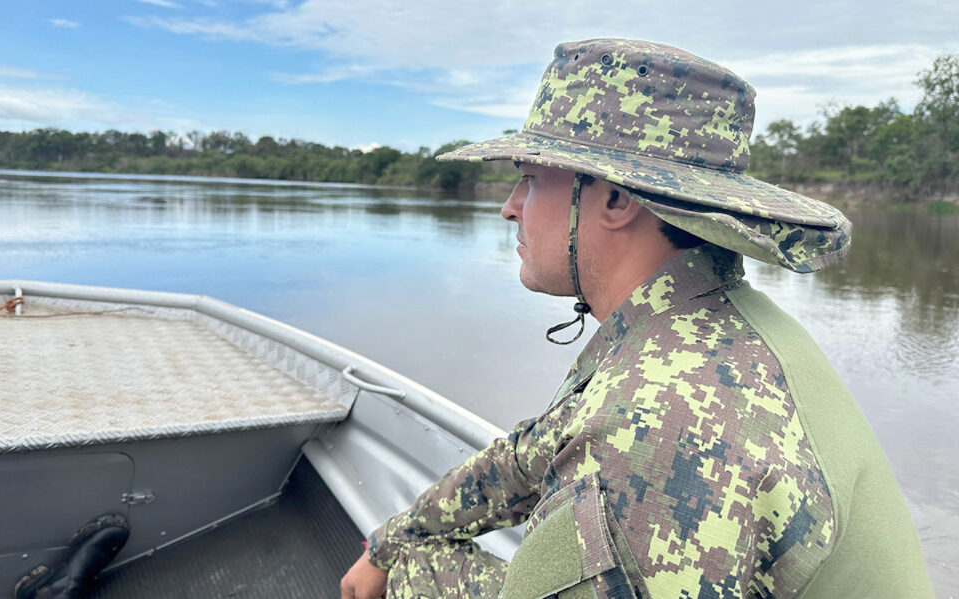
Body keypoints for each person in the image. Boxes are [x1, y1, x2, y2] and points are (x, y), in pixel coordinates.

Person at [341, 39, 933, 599]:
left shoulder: (653, 425)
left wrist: (399, 564)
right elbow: (528, 457)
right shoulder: (711, 323)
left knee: (419, 576)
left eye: (530, 178)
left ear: (617, 200)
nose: (509, 207)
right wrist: (391, 540)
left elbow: (617, 443)